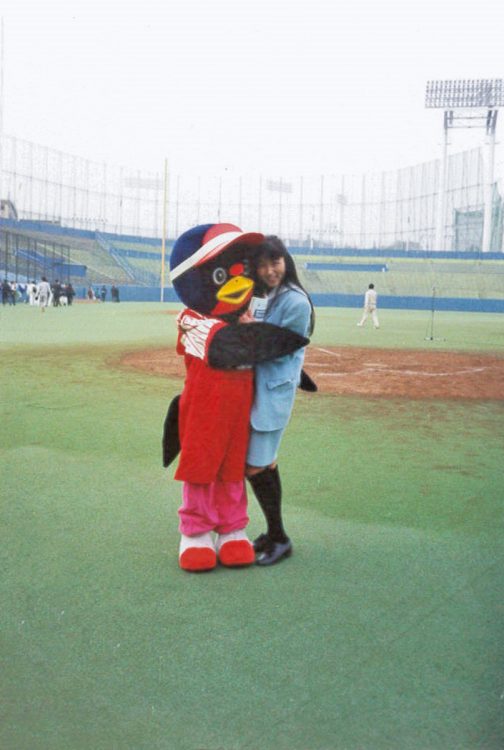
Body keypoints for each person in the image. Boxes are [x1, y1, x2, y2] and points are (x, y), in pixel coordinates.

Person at [245, 236, 315, 566]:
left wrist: (247, 328)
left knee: (254, 466)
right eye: (262, 265)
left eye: (274, 262)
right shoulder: (270, 294)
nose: (269, 270)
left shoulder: (296, 303)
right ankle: (274, 532)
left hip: (273, 393)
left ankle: (280, 538)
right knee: (267, 462)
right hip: (263, 389)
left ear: (285, 261)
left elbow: (275, 347)